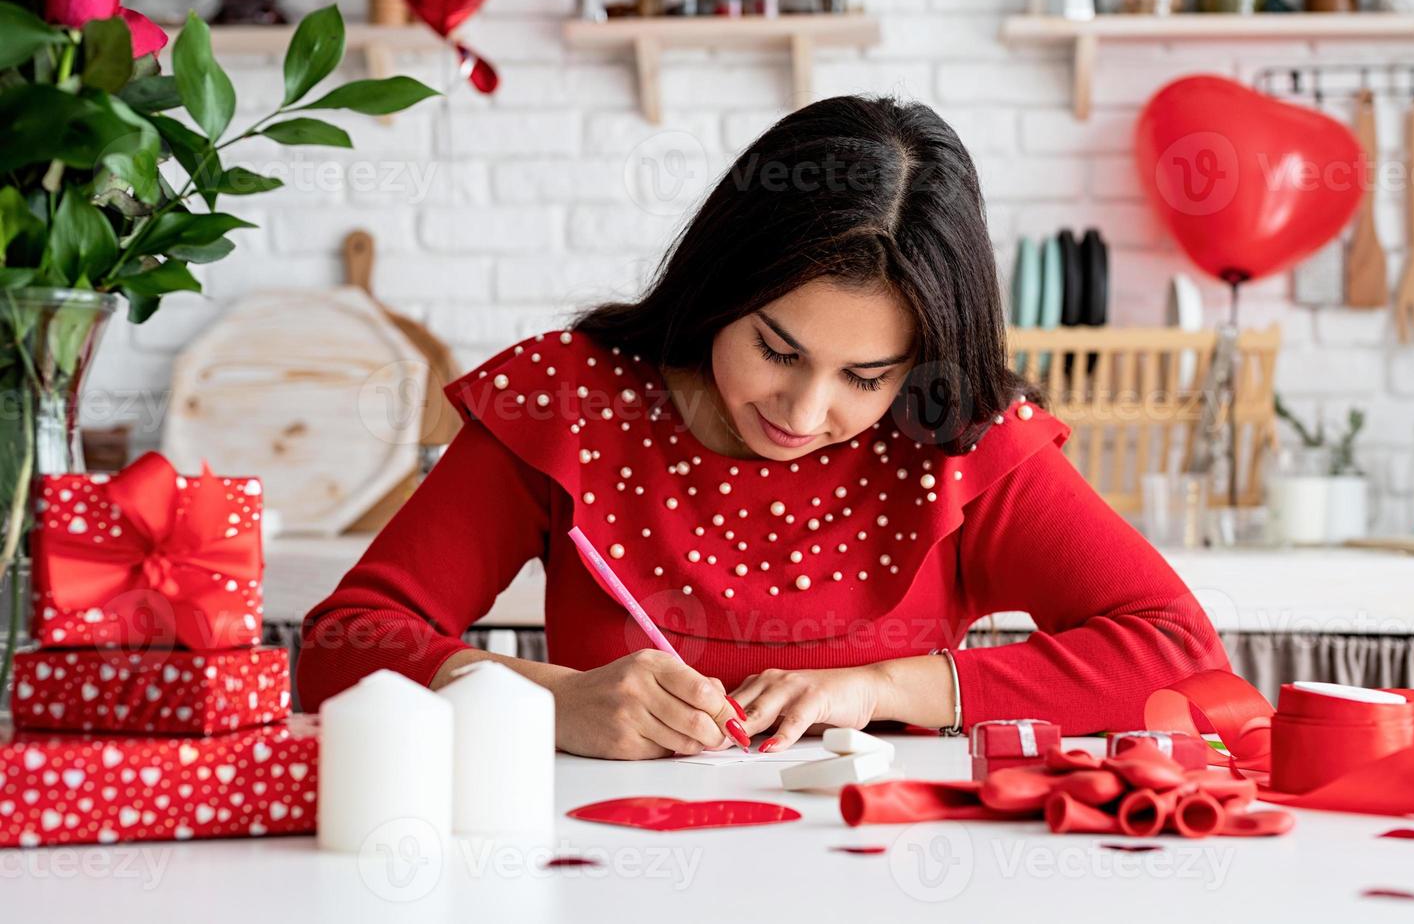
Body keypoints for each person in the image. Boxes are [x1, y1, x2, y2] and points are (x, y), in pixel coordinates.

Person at [298, 95, 1228, 759]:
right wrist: (548, 701)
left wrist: (884, 688)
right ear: (720, 292)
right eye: (777, 350)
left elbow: (1176, 653)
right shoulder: (572, 398)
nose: (803, 412)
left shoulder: (959, 434)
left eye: (866, 378)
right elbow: (343, 647)